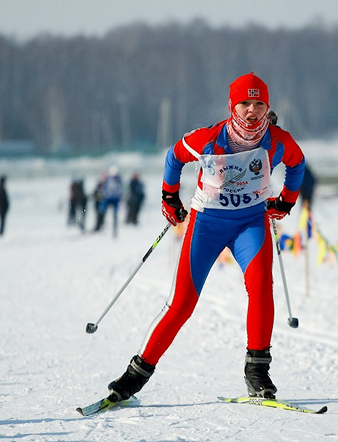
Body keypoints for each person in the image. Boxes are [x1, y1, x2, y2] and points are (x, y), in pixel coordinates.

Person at [103, 73, 305, 404]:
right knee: (182, 304)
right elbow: (174, 157)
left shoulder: (278, 141)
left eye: (259, 104)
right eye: (245, 103)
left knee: (260, 289)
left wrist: (286, 200)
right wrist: (170, 198)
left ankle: (257, 373)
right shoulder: (209, 138)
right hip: (207, 224)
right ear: (232, 106)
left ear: (267, 106)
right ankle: (134, 376)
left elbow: (297, 165)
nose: (252, 111)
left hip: (250, 224)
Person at [98, 166, 123, 237]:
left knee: (115, 214)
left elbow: (121, 189)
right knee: (102, 210)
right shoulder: (107, 179)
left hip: (115, 199)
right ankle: (100, 225)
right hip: (108, 198)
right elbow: (103, 188)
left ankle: (114, 230)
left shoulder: (119, 179)